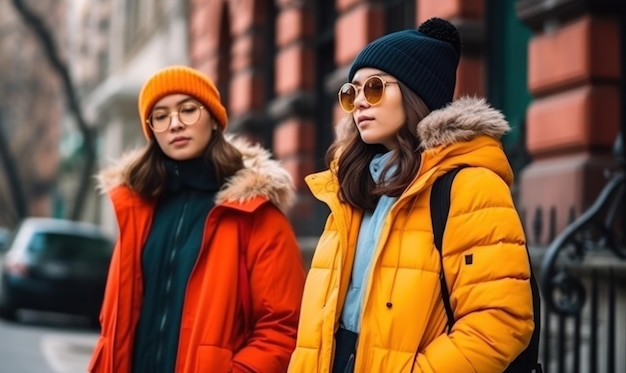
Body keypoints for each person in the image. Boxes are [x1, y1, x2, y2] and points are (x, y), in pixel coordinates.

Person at [288, 18, 535, 372]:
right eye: (351, 92)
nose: (359, 102)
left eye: (373, 88)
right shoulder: (350, 188)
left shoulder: (469, 185)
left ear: (414, 92)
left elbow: (500, 321)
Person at [88, 65, 306, 373]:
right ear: (152, 131)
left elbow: (283, 326)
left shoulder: (254, 212)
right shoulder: (136, 208)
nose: (175, 124)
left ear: (214, 120)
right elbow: (114, 325)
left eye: (188, 110)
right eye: (160, 116)